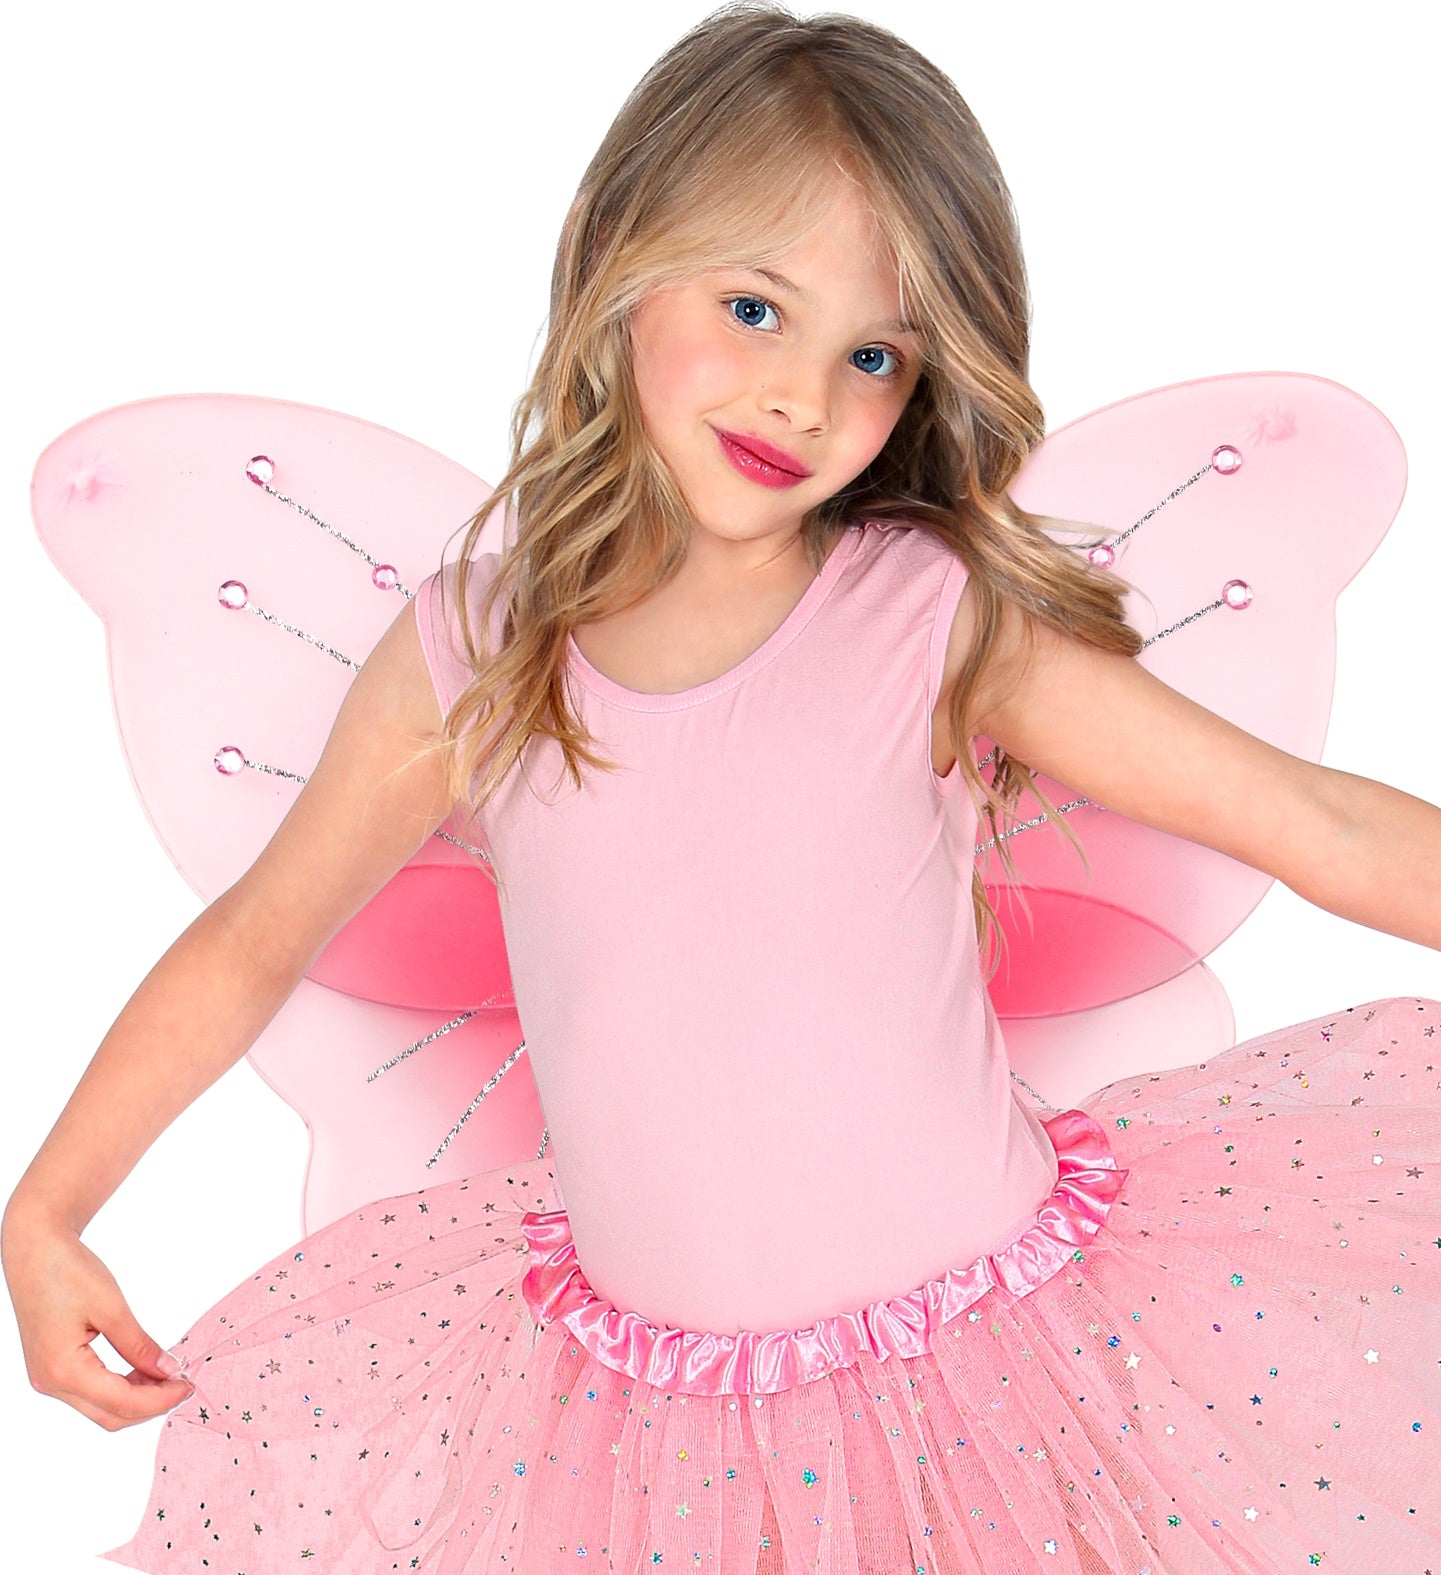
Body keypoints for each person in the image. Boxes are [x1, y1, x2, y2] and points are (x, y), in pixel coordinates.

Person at [5, 4, 1440, 1570]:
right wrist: (48, 1209)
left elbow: (1319, 822)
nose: (801, 398)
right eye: (754, 308)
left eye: (871, 355)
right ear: (618, 258)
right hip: (651, 1433)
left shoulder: (929, 617)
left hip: (985, 1381)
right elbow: (254, 938)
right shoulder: (477, 649)